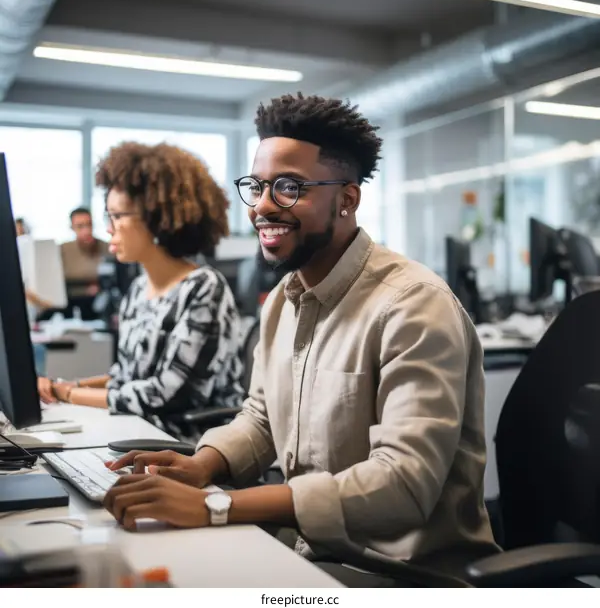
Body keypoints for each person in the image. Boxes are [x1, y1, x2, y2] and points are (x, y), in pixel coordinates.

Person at [103, 94, 500, 586]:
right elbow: (262, 417)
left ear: (347, 199)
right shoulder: (282, 303)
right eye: (258, 186)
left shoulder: (413, 304)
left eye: (290, 187)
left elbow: (403, 484)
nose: (264, 206)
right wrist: (200, 467)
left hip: (404, 575)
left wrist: (218, 505)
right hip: (314, 557)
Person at [37, 142, 246, 441]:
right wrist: (64, 387)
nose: (108, 229)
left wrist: (68, 392)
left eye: (118, 216)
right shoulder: (137, 290)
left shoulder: (204, 289)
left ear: (158, 218)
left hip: (188, 446)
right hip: (135, 433)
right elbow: (125, 378)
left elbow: (165, 394)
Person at [60, 207, 109, 319]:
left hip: (98, 305)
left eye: (89, 224)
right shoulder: (63, 249)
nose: (86, 231)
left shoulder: (106, 248)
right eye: (80, 226)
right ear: (72, 228)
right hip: (69, 305)